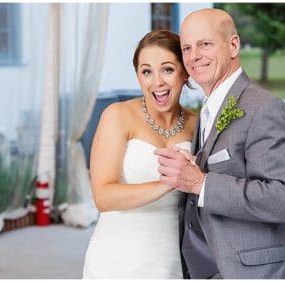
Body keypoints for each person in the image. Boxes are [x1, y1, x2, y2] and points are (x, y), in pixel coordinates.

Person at [154, 8, 285, 279]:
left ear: (233, 45)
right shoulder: (209, 107)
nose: (193, 56)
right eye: (187, 48)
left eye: (205, 44)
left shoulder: (264, 107)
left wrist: (201, 183)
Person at [82, 30, 199, 279]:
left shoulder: (196, 124)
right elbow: (103, 197)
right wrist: (168, 182)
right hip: (115, 258)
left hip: (172, 259)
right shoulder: (118, 115)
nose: (157, 82)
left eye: (167, 69)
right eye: (146, 71)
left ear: (185, 72)